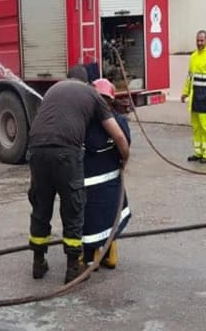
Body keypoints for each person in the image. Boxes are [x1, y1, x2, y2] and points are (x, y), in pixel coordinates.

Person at [27, 65, 130, 284]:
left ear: (68, 78)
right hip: (65, 153)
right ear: (86, 83)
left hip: (35, 151)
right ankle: (73, 268)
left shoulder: (53, 90)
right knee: (72, 207)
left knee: (41, 206)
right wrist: (125, 158)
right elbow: (119, 137)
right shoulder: (91, 93)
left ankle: (38, 262)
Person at [82, 79, 131, 270]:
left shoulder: (84, 123)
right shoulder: (118, 122)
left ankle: (89, 257)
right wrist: (123, 163)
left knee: (89, 221)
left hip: (88, 187)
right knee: (111, 216)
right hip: (112, 185)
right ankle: (109, 253)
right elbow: (124, 145)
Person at [180, 30, 206, 163]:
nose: (199, 43)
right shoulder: (193, 56)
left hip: (205, 96)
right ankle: (198, 152)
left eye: (202, 40)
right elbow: (190, 77)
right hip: (194, 96)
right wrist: (185, 92)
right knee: (196, 126)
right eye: (197, 40)